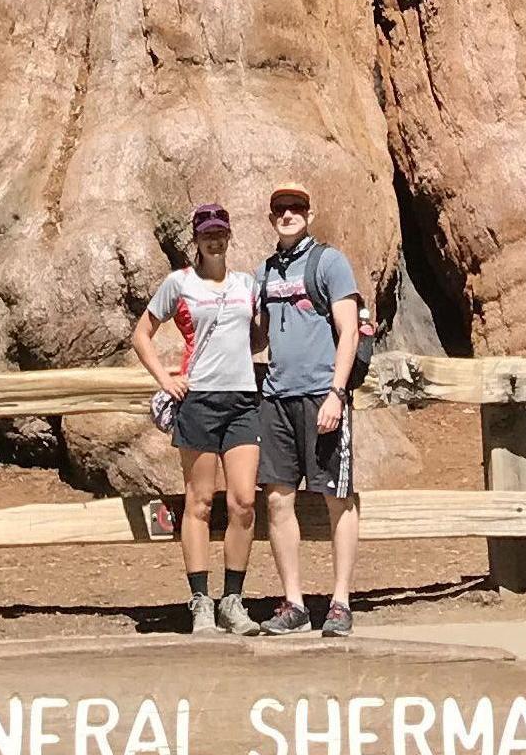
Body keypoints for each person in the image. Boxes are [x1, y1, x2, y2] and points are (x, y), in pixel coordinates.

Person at [132, 202, 263, 634]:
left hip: (243, 399)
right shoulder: (180, 283)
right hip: (200, 400)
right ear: (196, 239)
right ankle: (200, 601)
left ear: (229, 236)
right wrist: (164, 378)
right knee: (200, 501)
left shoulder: (247, 284)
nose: (214, 239)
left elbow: (257, 337)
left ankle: (233, 600)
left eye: (220, 232)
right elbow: (142, 333)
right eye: (206, 232)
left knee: (243, 501)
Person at [251, 179, 360, 637]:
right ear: (272, 217)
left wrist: (336, 393)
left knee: (338, 497)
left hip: (322, 396)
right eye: (280, 209)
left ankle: (339, 601)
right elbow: (257, 335)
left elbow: (349, 331)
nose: (288, 215)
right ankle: (293, 602)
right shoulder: (265, 272)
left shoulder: (329, 262)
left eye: (296, 208)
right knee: (278, 499)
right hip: (277, 398)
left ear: (308, 214)